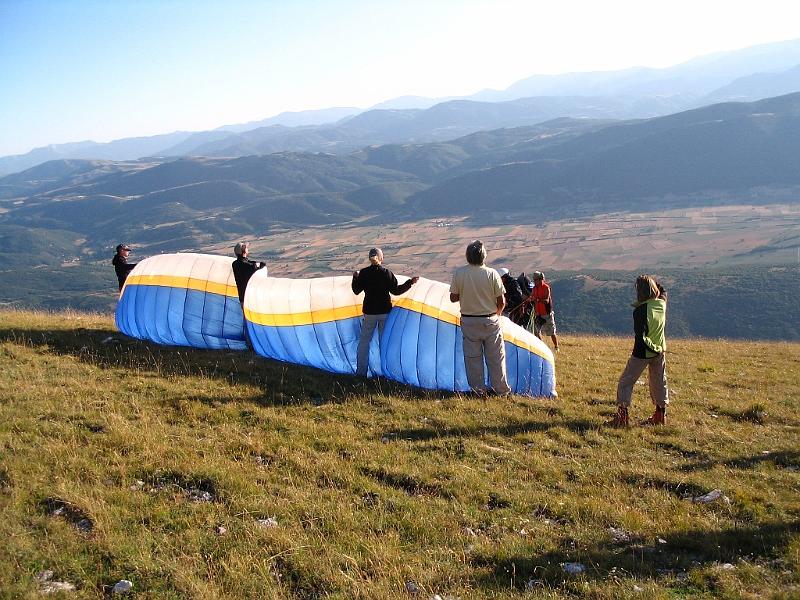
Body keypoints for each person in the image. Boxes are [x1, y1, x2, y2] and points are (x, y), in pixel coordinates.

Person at [449, 240, 511, 396]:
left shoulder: (459, 273)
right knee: (496, 358)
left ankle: (478, 391)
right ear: (484, 256)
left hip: (469, 321)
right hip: (490, 320)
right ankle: (501, 390)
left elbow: (453, 298)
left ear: (467, 256)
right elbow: (501, 301)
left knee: (473, 359)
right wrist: (496, 315)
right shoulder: (492, 274)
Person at [610, 275, 669, 427]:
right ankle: (660, 415)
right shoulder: (662, 303)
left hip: (642, 352)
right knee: (659, 382)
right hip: (660, 350)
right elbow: (663, 290)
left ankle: (622, 417)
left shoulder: (640, 311)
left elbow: (640, 336)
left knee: (626, 382)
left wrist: (649, 347)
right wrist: (651, 281)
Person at [352, 247, 419, 377]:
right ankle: (388, 373)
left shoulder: (364, 273)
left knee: (364, 343)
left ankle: (361, 373)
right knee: (385, 343)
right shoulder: (386, 273)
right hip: (385, 312)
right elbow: (397, 291)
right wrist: (410, 282)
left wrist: (355, 278)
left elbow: (356, 290)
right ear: (381, 258)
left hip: (369, 312)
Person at [531, 271, 560, 351]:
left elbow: (546, 301)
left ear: (540, 279)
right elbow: (533, 298)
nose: (535, 282)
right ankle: (542, 348)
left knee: (551, 331)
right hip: (538, 313)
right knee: (536, 331)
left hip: (547, 313)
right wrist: (531, 299)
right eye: (535, 280)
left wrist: (536, 299)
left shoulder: (546, 287)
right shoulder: (534, 288)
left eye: (536, 280)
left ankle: (556, 347)